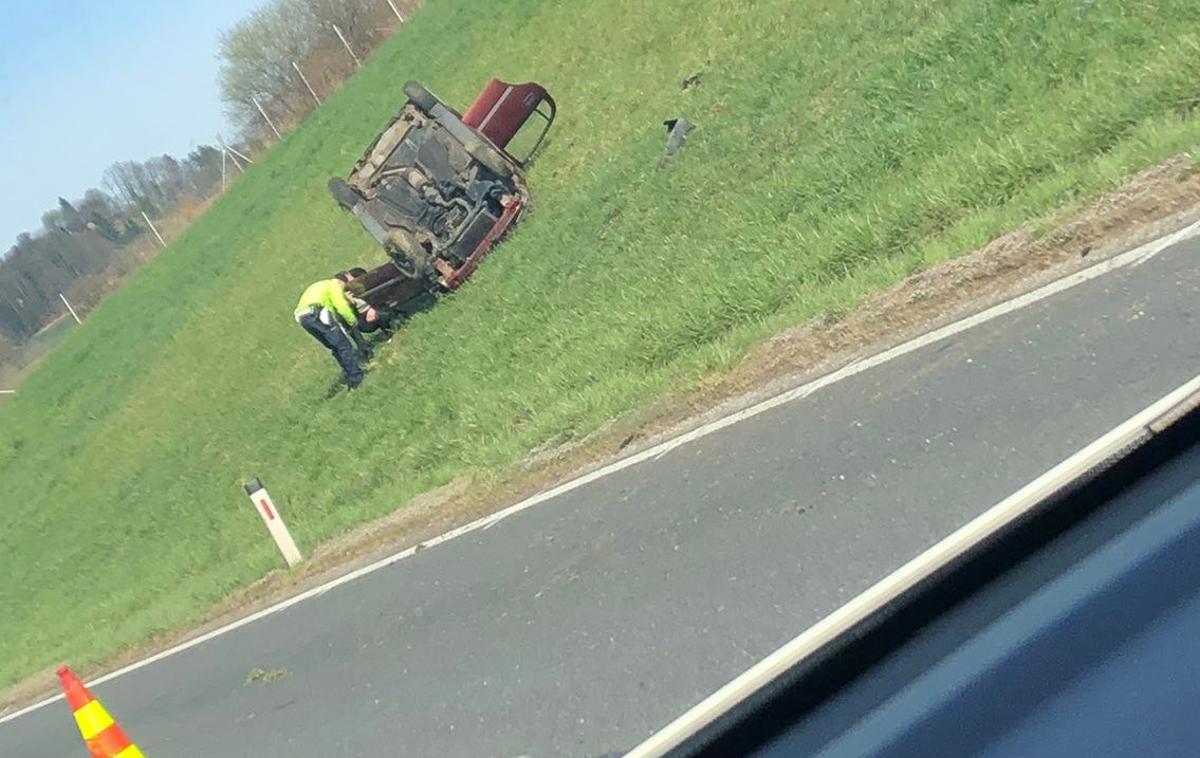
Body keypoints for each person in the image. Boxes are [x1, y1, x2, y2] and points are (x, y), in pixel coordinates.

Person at [294, 272, 378, 389]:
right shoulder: (333, 286)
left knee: (334, 346)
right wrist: (353, 321)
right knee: (342, 344)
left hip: (303, 318)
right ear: (340, 282)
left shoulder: (320, 285)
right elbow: (341, 306)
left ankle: (349, 374)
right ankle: (356, 377)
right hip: (315, 313)